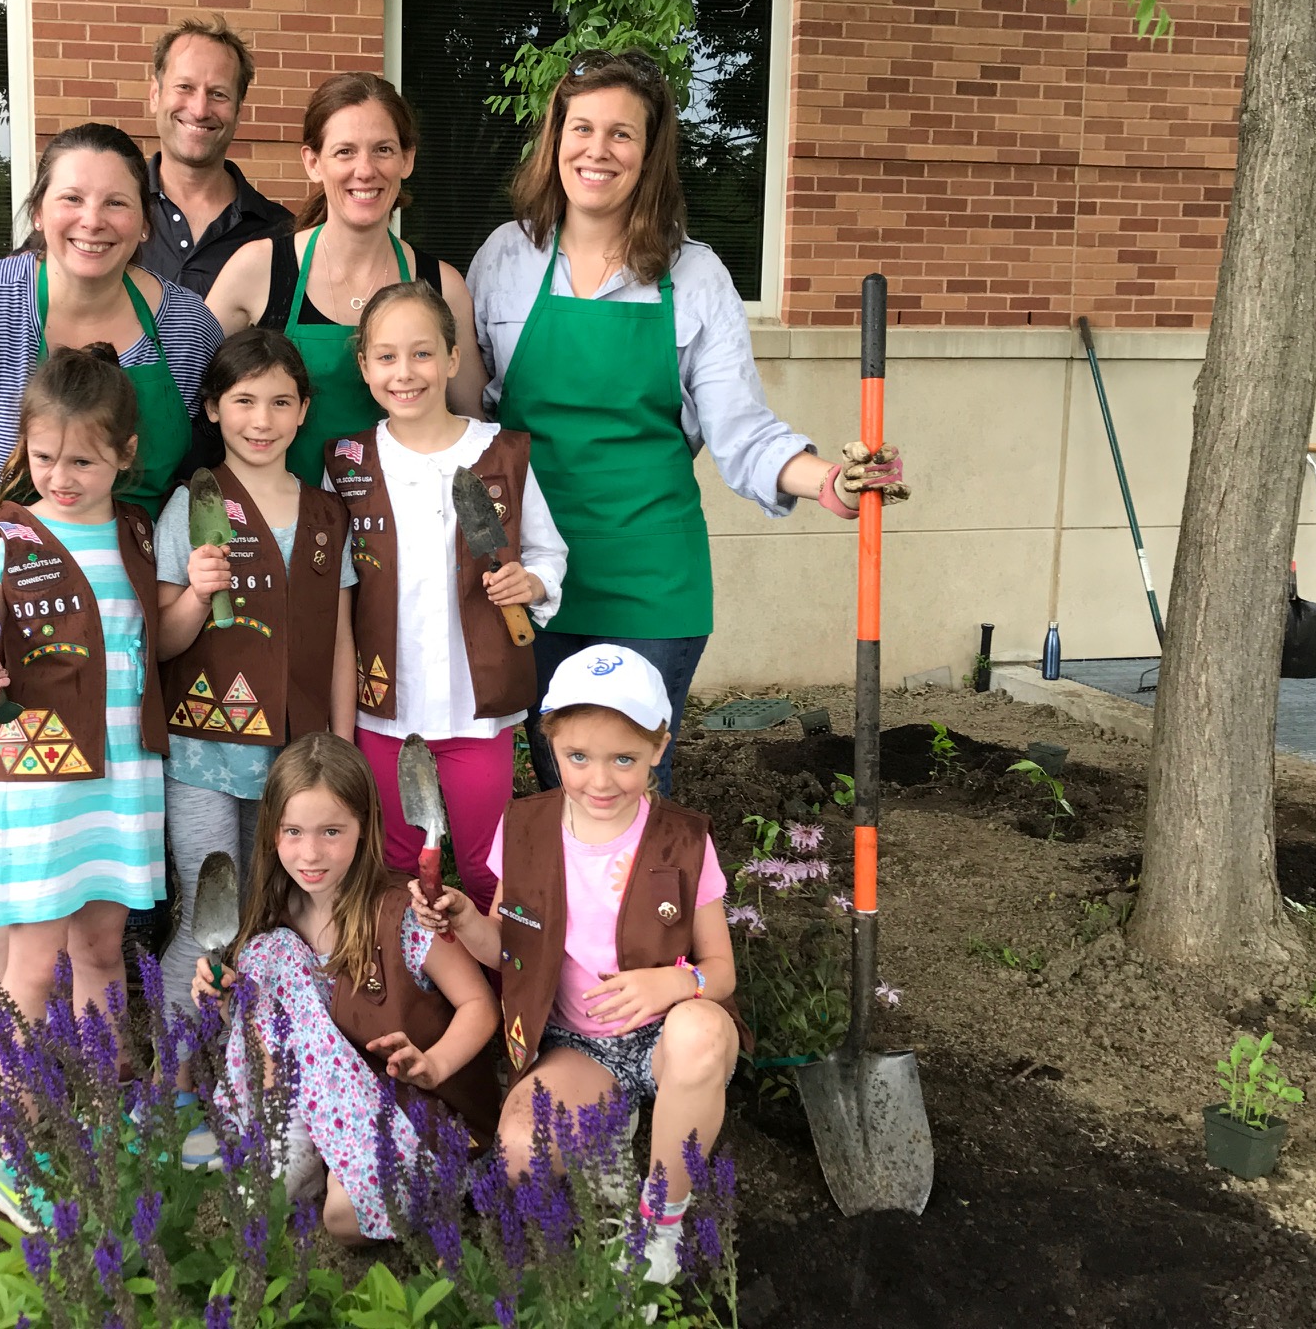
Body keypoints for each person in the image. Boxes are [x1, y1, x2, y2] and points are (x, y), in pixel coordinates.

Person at [465, 50, 909, 793]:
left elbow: (742, 429)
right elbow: (470, 420)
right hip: (533, 570)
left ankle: (650, 912)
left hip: (649, 577)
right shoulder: (505, 259)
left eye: (621, 134)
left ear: (650, 152)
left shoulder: (693, 275)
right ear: (555, 139)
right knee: (558, 778)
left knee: (626, 788)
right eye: (582, 129)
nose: (597, 151)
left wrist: (831, 481)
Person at [0, 124, 213, 1083]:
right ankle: (17, 1073)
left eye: (116, 202)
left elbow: (194, 472)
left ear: (147, 220)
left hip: (109, 607)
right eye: (71, 198)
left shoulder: (185, 330)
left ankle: (86, 1068)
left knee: (89, 862)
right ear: (37, 210)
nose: (92, 221)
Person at [411, 643, 743, 1285]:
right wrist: (463, 921)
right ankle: (616, 1119)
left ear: (659, 746)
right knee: (517, 1160)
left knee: (697, 1036)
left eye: (624, 758)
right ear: (550, 742)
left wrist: (675, 983)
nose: (600, 780)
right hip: (578, 1044)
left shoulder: (684, 838)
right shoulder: (527, 827)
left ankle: (661, 1223)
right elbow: (508, 949)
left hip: (671, 1036)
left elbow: (721, 971)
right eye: (578, 757)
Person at [0, 343, 169, 1228]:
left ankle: (104, 1116)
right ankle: (23, 1136)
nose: (62, 477)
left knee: (102, 950)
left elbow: (158, 643)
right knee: (29, 959)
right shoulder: (1, 543)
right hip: (38, 778)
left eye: (83, 459)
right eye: (44, 458)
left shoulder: (140, 536)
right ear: (21, 451)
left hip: (121, 777)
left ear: (124, 454)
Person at [153, 327, 358, 1154]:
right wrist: (198, 596)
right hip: (204, 754)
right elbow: (163, 642)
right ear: (213, 408)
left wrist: (340, 753)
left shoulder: (325, 516)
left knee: (271, 922)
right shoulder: (191, 507)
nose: (262, 419)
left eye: (280, 402)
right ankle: (174, 1089)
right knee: (210, 915)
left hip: (294, 767)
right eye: (243, 401)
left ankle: (251, 1086)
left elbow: (341, 639)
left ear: (304, 411)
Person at [191, 732, 499, 1244]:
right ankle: (309, 1146)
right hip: (320, 1099)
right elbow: (267, 1030)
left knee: (344, 1219)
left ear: (363, 829)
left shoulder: (402, 911)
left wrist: (435, 1064)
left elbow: (480, 1005)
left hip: (411, 1102)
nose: (310, 853)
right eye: (293, 832)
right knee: (254, 1199)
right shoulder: (273, 922)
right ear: (272, 834)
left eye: (331, 831)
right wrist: (228, 1002)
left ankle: (341, 1170)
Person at [321, 281, 565, 911]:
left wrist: (531, 583)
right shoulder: (348, 463)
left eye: (423, 354)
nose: (406, 373)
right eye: (387, 357)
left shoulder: (501, 453)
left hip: (476, 708)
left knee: (489, 869)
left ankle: (503, 993)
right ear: (365, 368)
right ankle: (409, 999)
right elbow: (334, 594)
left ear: (454, 360)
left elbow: (546, 552)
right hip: (384, 710)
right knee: (390, 867)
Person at [206, 73, 486, 483]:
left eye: (383, 150)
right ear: (313, 162)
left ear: (407, 159)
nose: (365, 169)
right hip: (283, 533)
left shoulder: (441, 286)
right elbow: (197, 399)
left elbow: (473, 427)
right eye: (344, 152)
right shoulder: (259, 269)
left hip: (405, 536)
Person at [0, 17, 291, 293]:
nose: (199, 109)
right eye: (184, 87)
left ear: (239, 108)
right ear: (154, 94)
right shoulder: (92, 216)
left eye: (218, 94)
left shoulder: (282, 235)